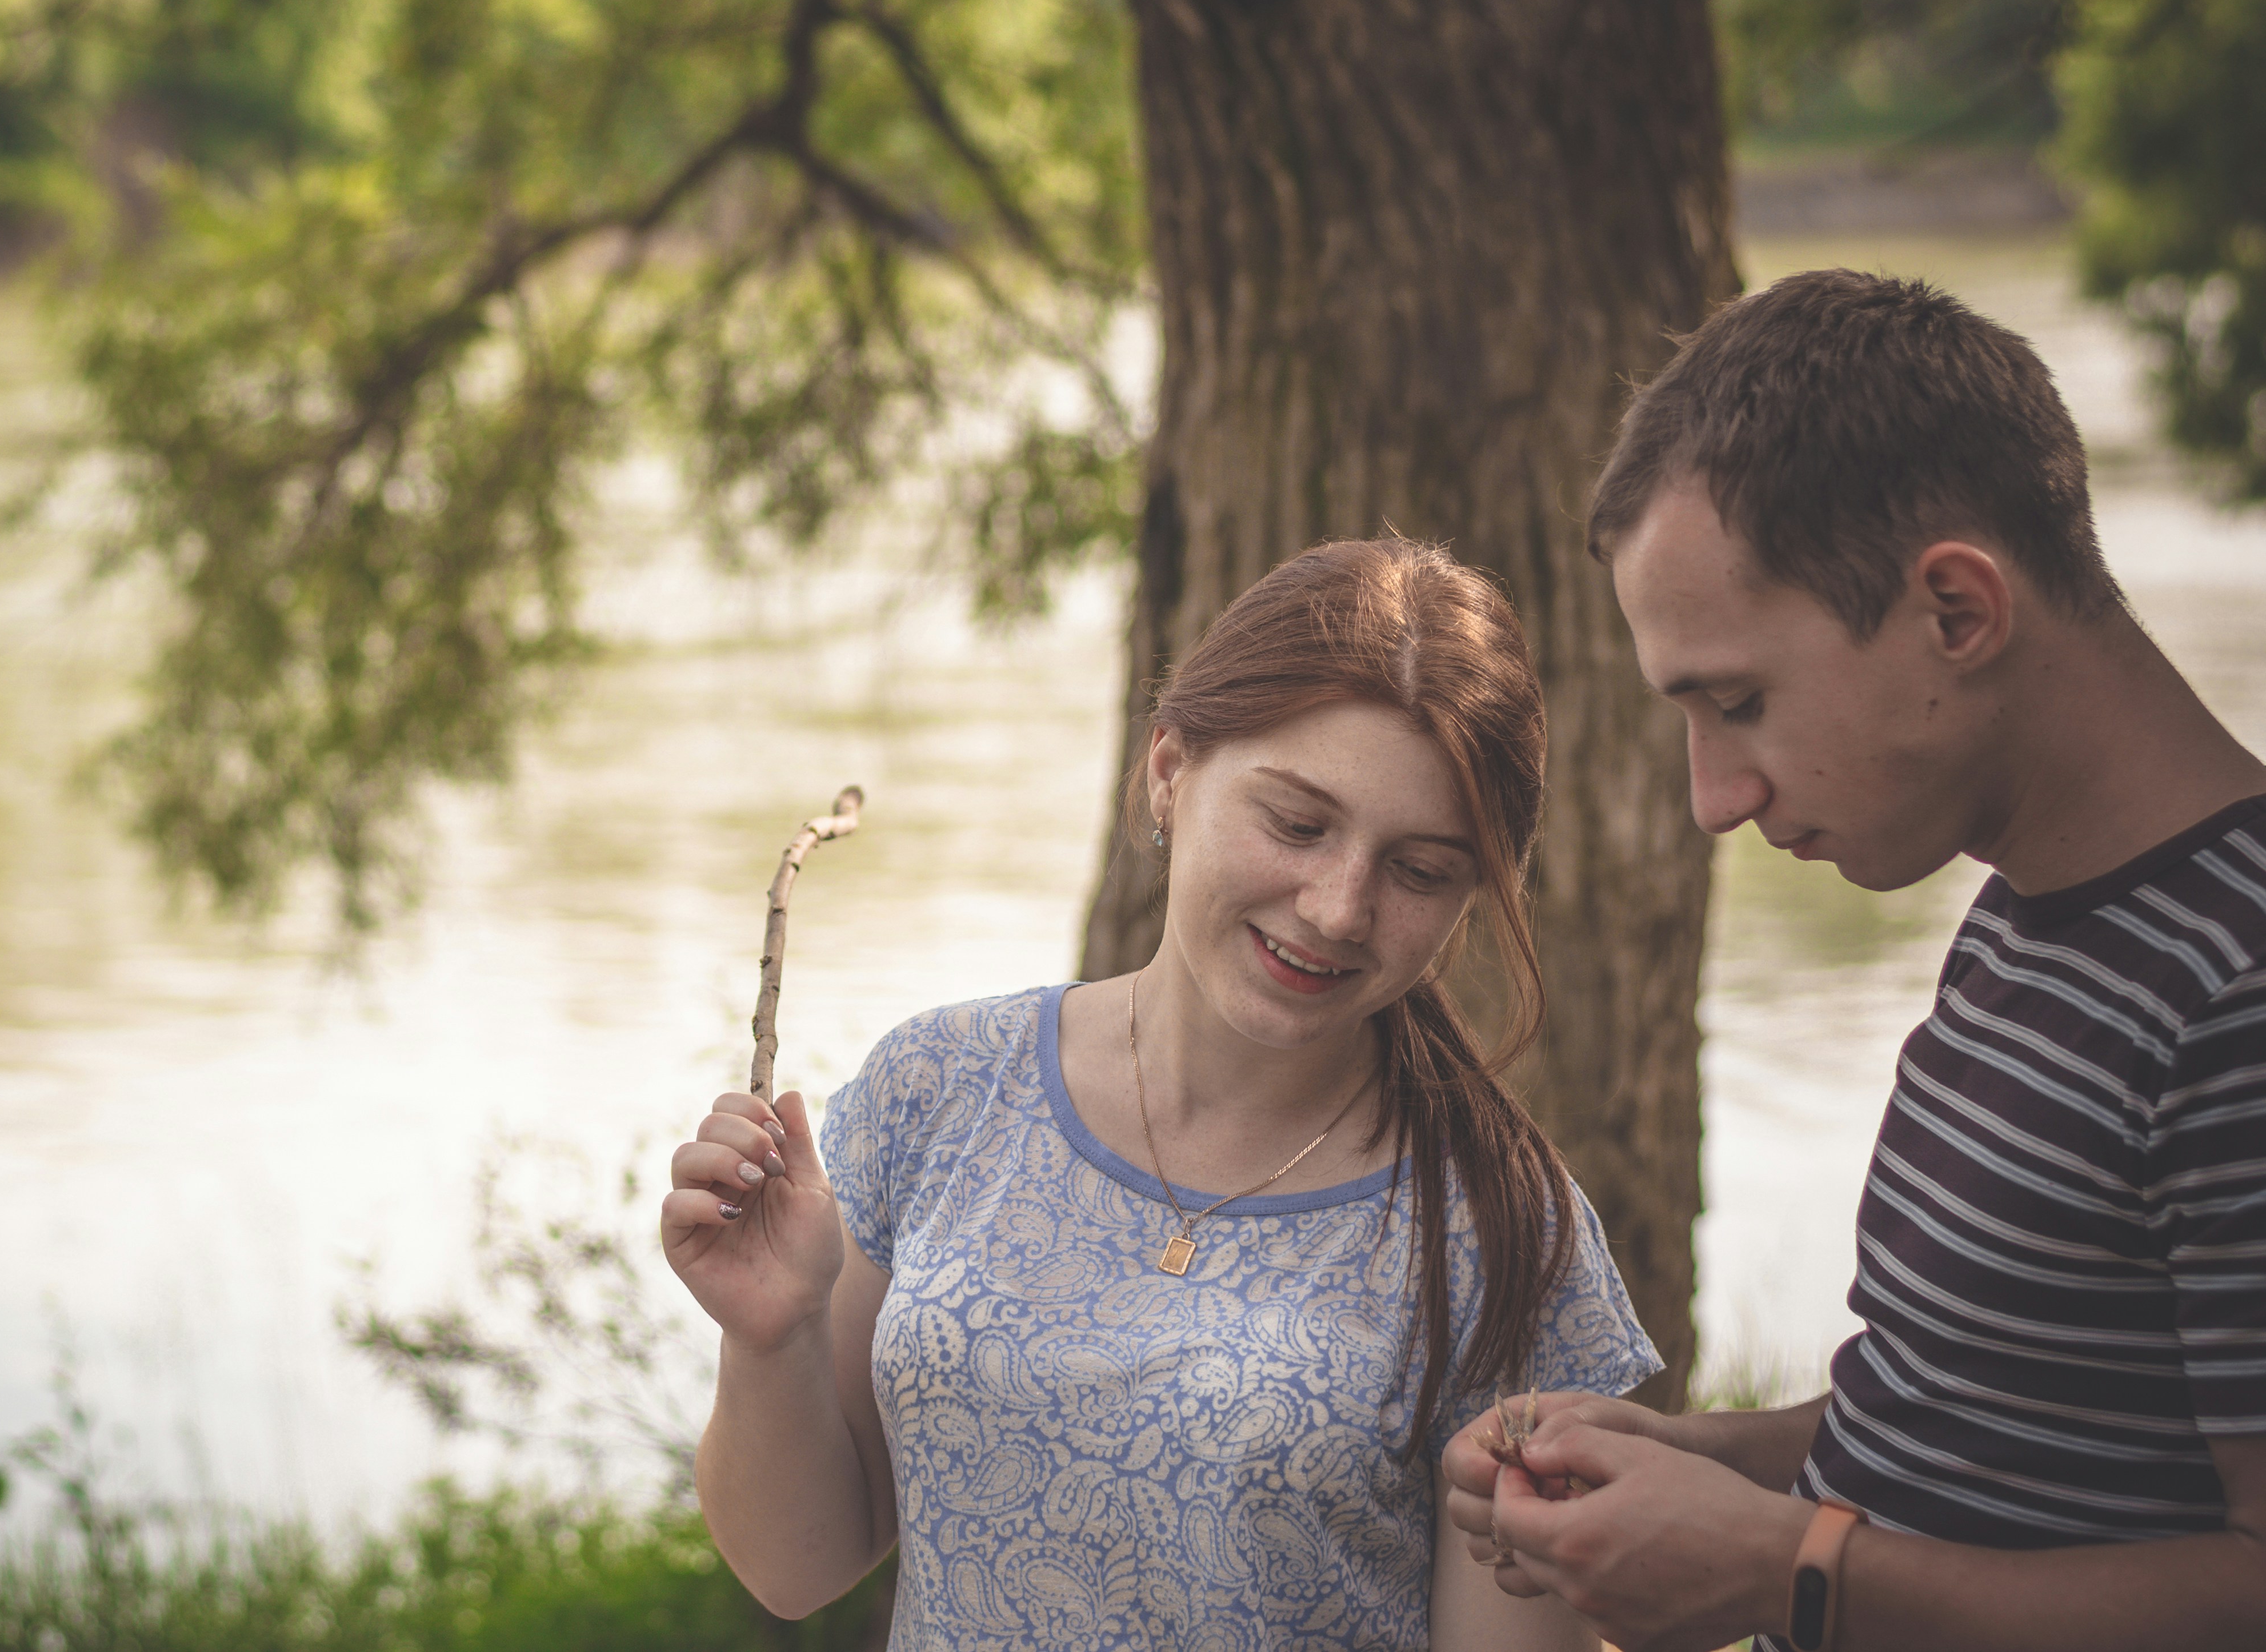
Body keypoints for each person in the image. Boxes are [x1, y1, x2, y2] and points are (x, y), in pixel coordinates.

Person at [1442, 268, 2266, 1651]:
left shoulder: (2235, 990)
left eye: (1740, 702)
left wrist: (1794, 1571)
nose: (1715, 797)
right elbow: (1973, 1419)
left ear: (1956, 610)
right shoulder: (2032, 912)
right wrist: (1689, 1461)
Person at [664, 536, 1661, 1650]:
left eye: (1419, 869)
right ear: (1169, 770)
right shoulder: (937, 1086)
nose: (1338, 907)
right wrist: (772, 1335)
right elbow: (797, 1565)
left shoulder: (1501, 1223)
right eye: (1295, 822)